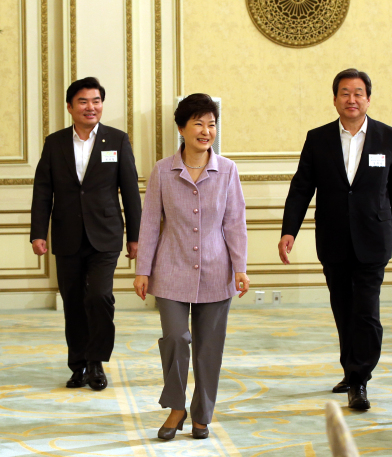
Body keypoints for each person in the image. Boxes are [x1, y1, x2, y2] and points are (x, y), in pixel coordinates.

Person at [278, 69, 392, 410]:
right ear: (335, 98)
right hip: (334, 238)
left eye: (358, 93)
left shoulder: (387, 137)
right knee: (343, 309)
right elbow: (301, 188)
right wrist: (288, 231)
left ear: (368, 98)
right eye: (345, 93)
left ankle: (360, 378)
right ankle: (351, 369)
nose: (352, 99)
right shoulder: (318, 138)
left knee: (366, 311)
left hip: (374, 237)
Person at [133, 94, 249, 440]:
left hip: (217, 270)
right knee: (174, 338)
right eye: (198, 123)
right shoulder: (162, 171)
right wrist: (143, 269)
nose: (206, 130)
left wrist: (240, 267)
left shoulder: (227, 170)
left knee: (209, 346)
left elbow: (235, 223)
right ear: (181, 127)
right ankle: (176, 406)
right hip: (170, 269)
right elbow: (151, 223)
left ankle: (202, 413)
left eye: (211, 124)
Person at [30, 77, 142, 391]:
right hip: (66, 235)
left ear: (101, 105)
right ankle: (77, 365)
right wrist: (39, 231)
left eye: (96, 101)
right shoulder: (55, 143)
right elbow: (43, 190)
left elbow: (130, 191)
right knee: (73, 303)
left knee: (99, 296)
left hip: (105, 234)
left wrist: (136, 237)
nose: (90, 107)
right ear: (70, 107)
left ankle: (96, 362)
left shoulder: (117, 140)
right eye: (83, 101)